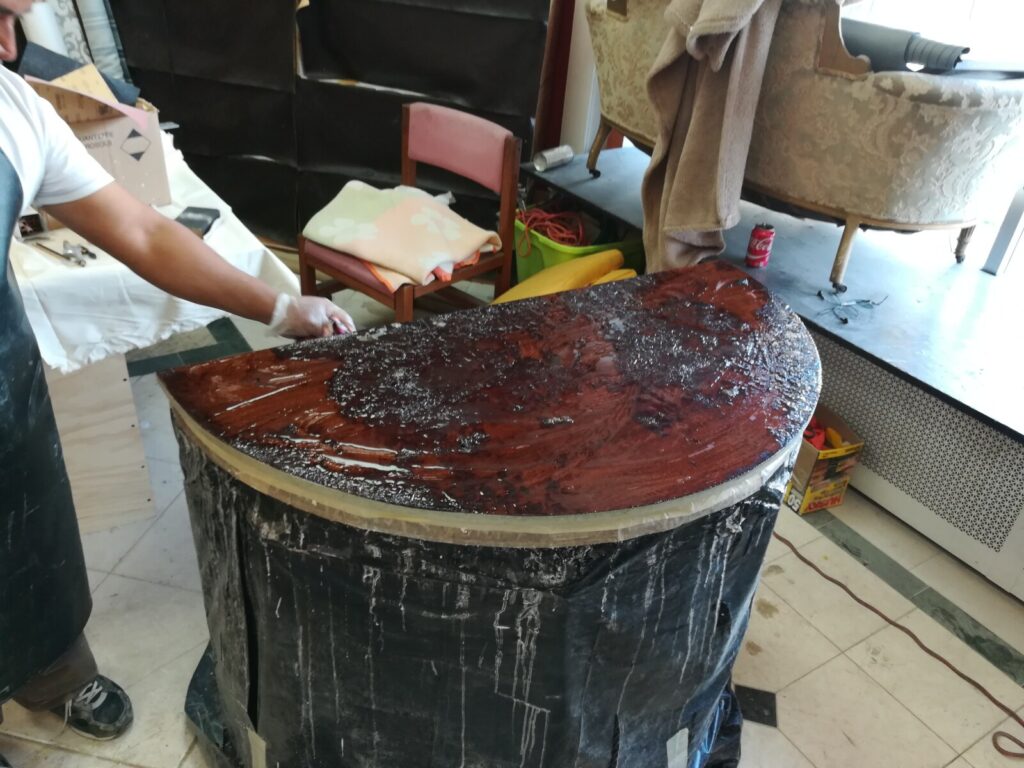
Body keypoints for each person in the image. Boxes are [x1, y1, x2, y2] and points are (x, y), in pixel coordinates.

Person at [0, 2, 354, 765]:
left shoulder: (14, 109)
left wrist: (279, 306)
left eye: (12, 21)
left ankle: (52, 675)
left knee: (27, 545)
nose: (7, 44)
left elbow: (142, 230)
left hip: (3, 390)